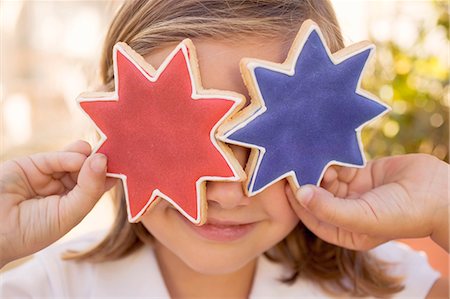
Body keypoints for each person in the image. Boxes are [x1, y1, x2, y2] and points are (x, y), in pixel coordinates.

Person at [1, 0, 448, 298]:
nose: (228, 191)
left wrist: (443, 205)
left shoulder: (392, 286)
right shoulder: (48, 287)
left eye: (276, 137)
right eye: (177, 140)